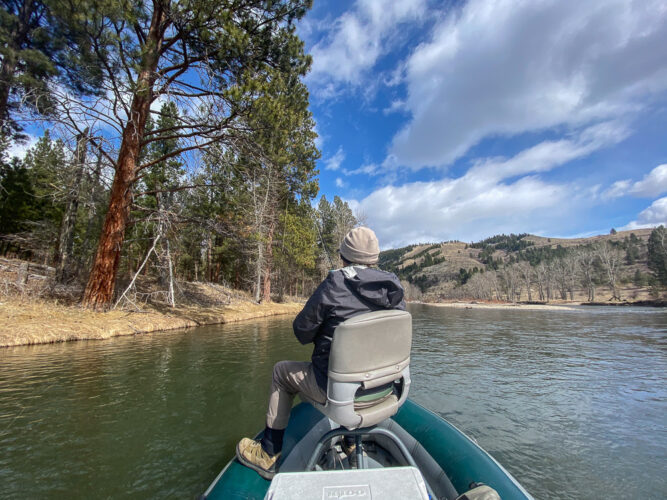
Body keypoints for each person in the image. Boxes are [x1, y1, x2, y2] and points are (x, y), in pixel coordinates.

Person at [235, 226, 406, 479]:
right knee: (358, 367)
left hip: (338, 393)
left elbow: (301, 332)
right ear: (375, 258)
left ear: (344, 257)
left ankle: (268, 454)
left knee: (281, 371)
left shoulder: (335, 284)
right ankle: (350, 441)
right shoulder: (395, 288)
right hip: (386, 391)